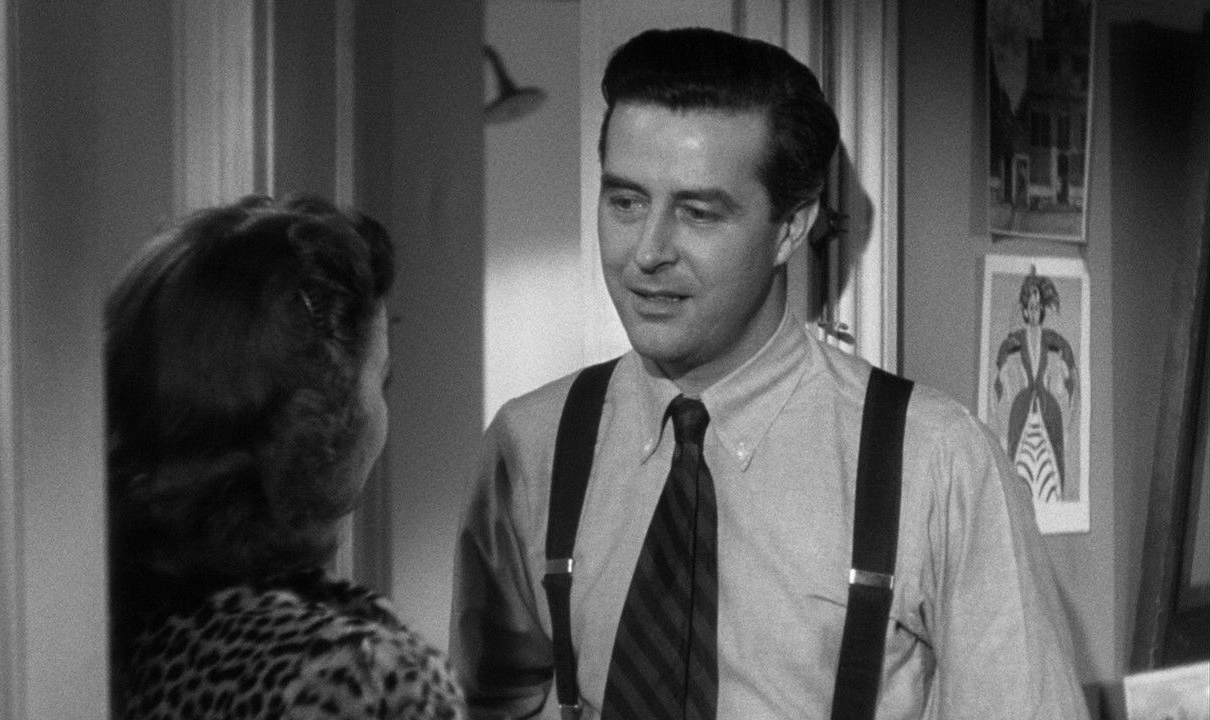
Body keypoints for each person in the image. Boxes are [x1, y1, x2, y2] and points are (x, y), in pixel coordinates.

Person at [450, 27, 1089, 719]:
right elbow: (485, 703)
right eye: (625, 202)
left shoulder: (939, 464)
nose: (648, 252)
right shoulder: (532, 444)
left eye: (698, 213)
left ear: (790, 227)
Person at [107, 195, 463, 719]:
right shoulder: (366, 682)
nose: (382, 414)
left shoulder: (87, 629)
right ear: (319, 420)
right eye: (380, 381)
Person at [992, 267, 1078, 503]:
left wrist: (1069, 419)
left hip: (1048, 409)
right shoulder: (1015, 340)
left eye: (1038, 307)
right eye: (1030, 307)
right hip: (1022, 408)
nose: (1034, 311)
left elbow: (1071, 370)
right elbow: (998, 377)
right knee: (1018, 465)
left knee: (1052, 469)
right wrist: (1001, 425)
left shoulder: (1052, 338)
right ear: (1024, 310)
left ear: (1042, 311)